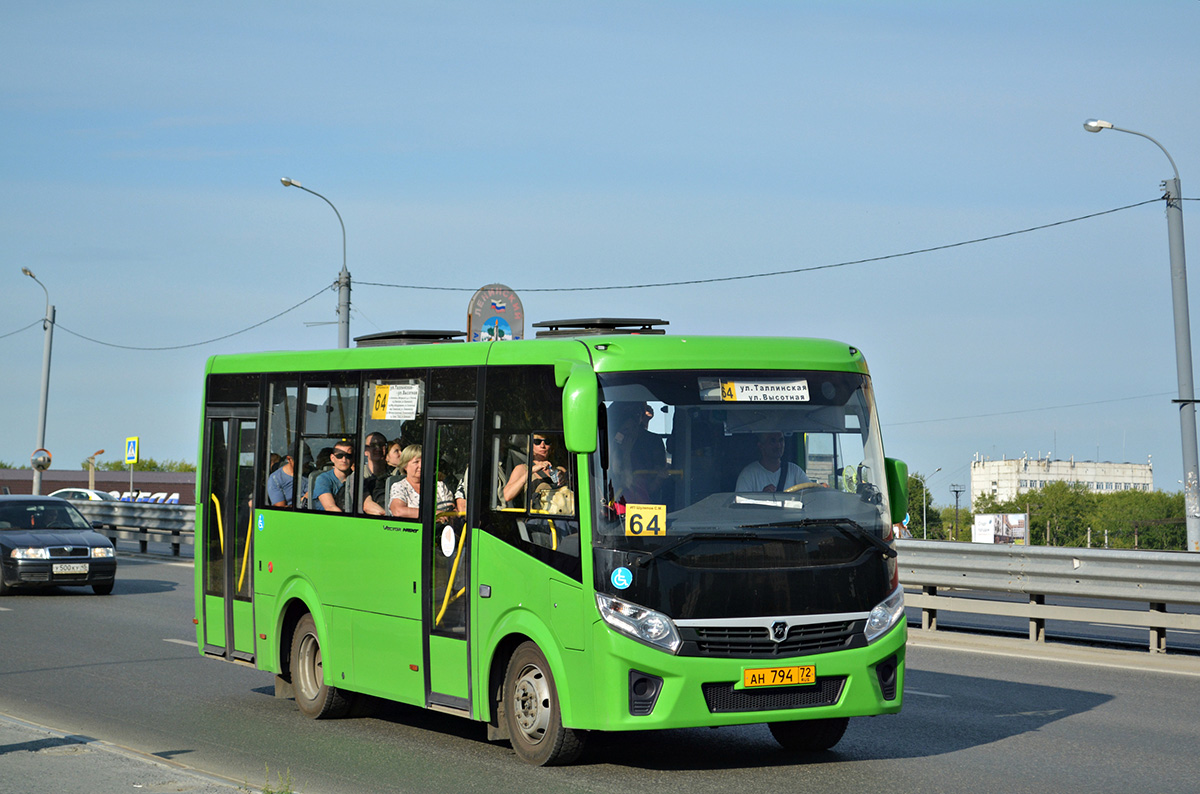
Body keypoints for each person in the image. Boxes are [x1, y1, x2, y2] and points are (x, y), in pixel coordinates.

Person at [388, 444, 454, 518]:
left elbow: (453, 511)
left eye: (424, 461)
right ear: (405, 466)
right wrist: (433, 515)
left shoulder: (440, 486)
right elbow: (398, 511)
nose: (421, 466)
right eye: (416, 462)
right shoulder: (399, 487)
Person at [502, 434, 568, 506]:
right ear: (531, 446)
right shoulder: (522, 469)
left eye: (547, 442)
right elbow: (507, 495)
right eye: (537, 442)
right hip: (536, 514)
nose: (542, 446)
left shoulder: (560, 470)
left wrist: (565, 480)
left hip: (560, 514)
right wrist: (531, 471)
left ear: (552, 447)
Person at [735, 431, 813, 492]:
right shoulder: (748, 474)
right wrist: (761, 498)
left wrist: (821, 488)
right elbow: (740, 506)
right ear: (761, 446)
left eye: (781, 440)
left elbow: (811, 493)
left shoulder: (795, 471)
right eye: (772, 441)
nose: (778, 445)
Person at [313, 440, 355, 512]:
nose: (344, 460)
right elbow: (330, 507)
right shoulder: (323, 479)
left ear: (353, 458)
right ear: (332, 458)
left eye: (348, 456)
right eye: (339, 456)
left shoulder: (357, 478)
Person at [361, 431, 391, 515]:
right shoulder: (358, 476)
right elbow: (367, 506)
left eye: (381, 445)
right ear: (365, 451)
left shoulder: (396, 473)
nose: (378, 448)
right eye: (373, 445)